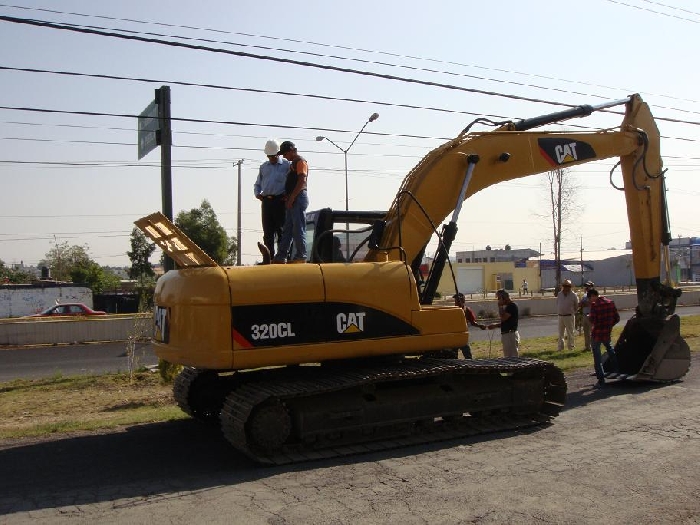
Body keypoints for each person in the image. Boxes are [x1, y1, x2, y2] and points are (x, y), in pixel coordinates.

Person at [253, 139, 290, 260]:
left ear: (278, 154)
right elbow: (257, 184)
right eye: (269, 156)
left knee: (282, 231)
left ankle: (282, 257)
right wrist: (257, 194)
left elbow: (293, 181)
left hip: (280, 201)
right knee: (268, 232)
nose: (271, 158)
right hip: (267, 202)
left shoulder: (286, 165)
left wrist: (288, 195)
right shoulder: (263, 167)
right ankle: (268, 258)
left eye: (273, 156)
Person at [273, 141, 309, 263]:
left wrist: (292, 197)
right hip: (292, 199)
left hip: (298, 198)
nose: (284, 156)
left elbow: (302, 181)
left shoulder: (300, 161)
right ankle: (281, 256)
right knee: (288, 229)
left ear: (292, 150)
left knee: (298, 228)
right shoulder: (293, 163)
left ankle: (301, 255)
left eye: (285, 153)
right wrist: (288, 197)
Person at [587, 288, 620, 386]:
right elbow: (617, 318)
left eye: (590, 298)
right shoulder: (610, 303)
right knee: (610, 350)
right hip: (607, 332)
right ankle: (616, 370)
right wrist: (609, 325)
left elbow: (593, 320)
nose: (590, 300)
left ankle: (601, 378)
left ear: (593, 296)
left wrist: (589, 317)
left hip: (597, 333)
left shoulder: (594, 306)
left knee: (597, 356)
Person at [486, 289, 519, 358]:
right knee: (507, 357)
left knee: (513, 357)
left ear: (503, 297)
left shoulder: (512, 306)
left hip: (510, 335)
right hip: (507, 334)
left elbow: (503, 318)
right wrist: (495, 325)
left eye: (499, 298)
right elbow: (507, 322)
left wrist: (500, 306)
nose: (498, 300)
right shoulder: (508, 307)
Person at [453, 292, 486, 359]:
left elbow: (472, 322)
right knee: (453, 356)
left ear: (463, 300)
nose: (456, 302)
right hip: (454, 335)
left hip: (463, 335)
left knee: (467, 355)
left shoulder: (467, 310)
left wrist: (479, 326)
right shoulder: (452, 310)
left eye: (457, 300)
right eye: (456, 300)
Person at [556, 279, 578, 351]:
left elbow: (576, 306)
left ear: (570, 287)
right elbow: (558, 303)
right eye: (565, 286)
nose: (566, 287)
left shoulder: (574, 295)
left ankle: (571, 347)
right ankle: (560, 348)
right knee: (560, 333)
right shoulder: (559, 294)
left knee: (570, 333)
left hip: (569, 316)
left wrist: (571, 312)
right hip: (560, 316)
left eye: (568, 286)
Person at [577, 281, 595, 351]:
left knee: (592, 332)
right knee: (586, 332)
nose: (587, 287)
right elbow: (580, 304)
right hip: (584, 315)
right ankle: (587, 347)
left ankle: (594, 346)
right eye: (586, 286)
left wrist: (584, 304)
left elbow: (591, 303)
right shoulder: (585, 295)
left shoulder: (594, 295)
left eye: (588, 286)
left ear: (591, 286)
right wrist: (584, 304)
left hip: (591, 315)